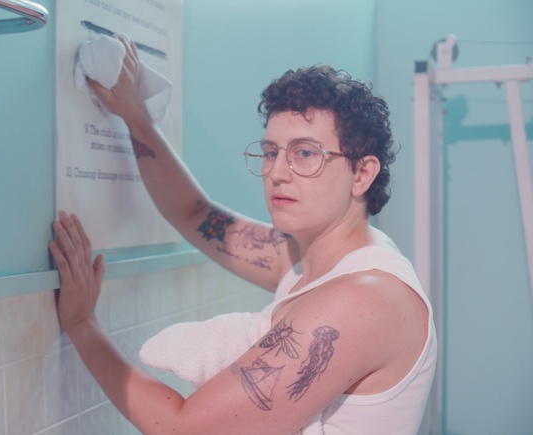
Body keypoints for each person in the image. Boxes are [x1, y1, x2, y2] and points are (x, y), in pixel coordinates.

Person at [49, 36, 436, 434]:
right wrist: (136, 117)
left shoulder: (362, 298)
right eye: (271, 152)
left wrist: (82, 325)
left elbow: (185, 429)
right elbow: (195, 214)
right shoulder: (309, 260)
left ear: (362, 173)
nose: (278, 172)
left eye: (304, 153)